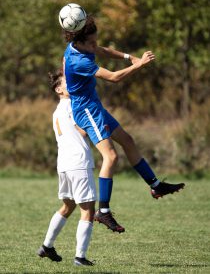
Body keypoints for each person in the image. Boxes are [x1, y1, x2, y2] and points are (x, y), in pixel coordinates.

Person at [62, 15, 185, 233]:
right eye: (91, 42)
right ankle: (104, 211)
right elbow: (113, 77)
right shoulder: (78, 60)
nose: (94, 45)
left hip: (94, 107)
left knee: (128, 141)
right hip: (86, 111)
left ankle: (156, 186)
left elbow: (104, 50)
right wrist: (140, 65)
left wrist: (130, 57)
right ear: (79, 41)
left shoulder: (82, 46)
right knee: (111, 157)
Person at [37, 69, 96, 266]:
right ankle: (80, 256)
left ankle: (47, 246)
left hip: (64, 164)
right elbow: (83, 131)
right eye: (67, 82)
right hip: (78, 162)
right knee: (88, 209)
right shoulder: (72, 105)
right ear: (59, 89)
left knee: (68, 206)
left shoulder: (56, 111)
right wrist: (100, 126)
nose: (72, 84)